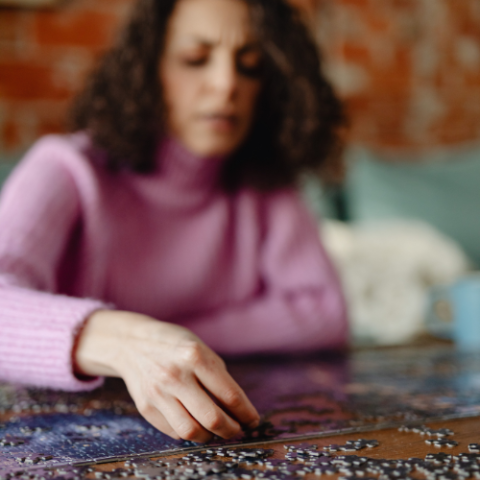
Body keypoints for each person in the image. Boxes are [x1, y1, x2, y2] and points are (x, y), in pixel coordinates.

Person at [0, 0, 348, 443]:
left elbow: (324, 310)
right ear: (148, 69)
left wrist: (184, 344)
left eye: (251, 66)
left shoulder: (265, 183)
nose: (225, 85)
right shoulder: (65, 167)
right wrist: (129, 342)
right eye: (195, 59)